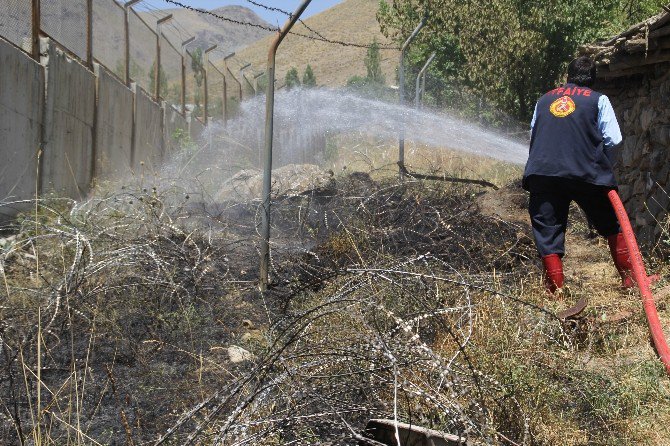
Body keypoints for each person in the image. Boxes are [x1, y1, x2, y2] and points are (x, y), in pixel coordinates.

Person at [523, 56, 656, 294]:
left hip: (543, 174)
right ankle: (631, 281)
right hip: (587, 174)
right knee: (612, 224)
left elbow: (533, 134)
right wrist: (601, 166)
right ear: (592, 80)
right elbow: (614, 139)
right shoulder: (598, 100)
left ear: (567, 77)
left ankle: (555, 290)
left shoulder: (543, 100)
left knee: (547, 231)